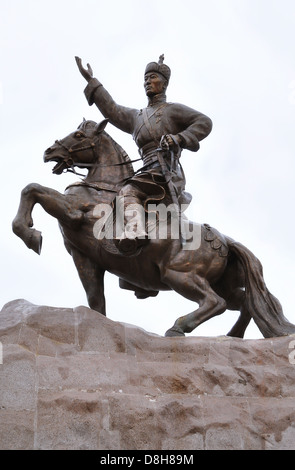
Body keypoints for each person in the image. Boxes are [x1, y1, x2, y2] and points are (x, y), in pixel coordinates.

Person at [75, 55, 212, 253]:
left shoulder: (173, 110)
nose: (147, 82)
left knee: (128, 192)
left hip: (166, 171)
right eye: (145, 79)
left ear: (164, 84)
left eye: (153, 77)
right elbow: (112, 110)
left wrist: (179, 138)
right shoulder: (136, 117)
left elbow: (204, 122)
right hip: (146, 171)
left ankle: (135, 232)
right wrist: (92, 82)